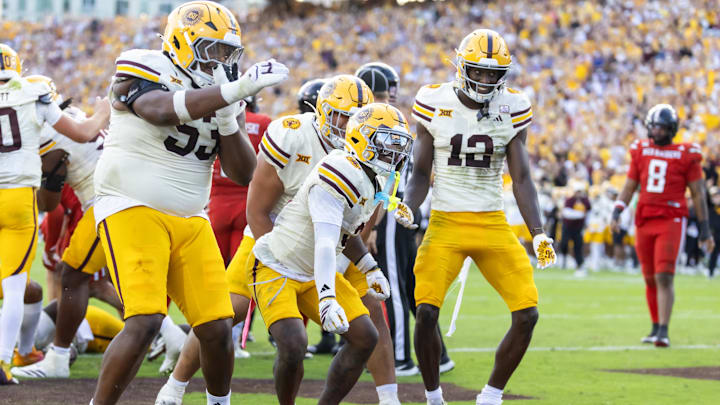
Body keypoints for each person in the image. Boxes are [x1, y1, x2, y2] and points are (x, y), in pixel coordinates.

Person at [155, 75, 401, 405]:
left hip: (329, 243)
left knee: (369, 313)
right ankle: (176, 384)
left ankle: (389, 398)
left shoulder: (371, 152)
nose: (346, 125)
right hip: (272, 240)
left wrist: (359, 263)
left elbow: (356, 223)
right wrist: (284, 266)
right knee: (223, 314)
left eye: (355, 116)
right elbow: (257, 210)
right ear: (324, 111)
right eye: (340, 115)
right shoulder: (294, 135)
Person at [89, 1, 289, 403]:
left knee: (217, 326)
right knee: (146, 319)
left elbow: (242, 172)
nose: (219, 61)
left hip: (191, 216)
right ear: (181, 42)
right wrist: (230, 92)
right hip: (131, 205)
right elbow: (158, 110)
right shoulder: (145, 64)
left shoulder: (220, 94)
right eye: (211, 49)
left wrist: (230, 117)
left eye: (225, 52)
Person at [394, 29, 556, 405]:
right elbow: (420, 173)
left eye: (493, 73)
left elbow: (523, 178)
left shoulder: (513, 106)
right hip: (446, 223)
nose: (486, 79)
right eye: (478, 71)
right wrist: (409, 204)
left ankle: (491, 395)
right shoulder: (433, 101)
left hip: (492, 223)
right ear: (461, 67)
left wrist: (540, 233)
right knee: (426, 312)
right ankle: (434, 397)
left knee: (527, 313)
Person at [250, 103, 413, 405]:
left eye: (398, 145)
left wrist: (369, 267)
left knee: (366, 337)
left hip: (314, 270)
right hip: (279, 264)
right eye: (386, 143)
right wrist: (327, 299)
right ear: (361, 140)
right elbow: (326, 242)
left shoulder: (370, 176)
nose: (394, 154)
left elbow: (345, 232)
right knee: (294, 344)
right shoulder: (338, 171)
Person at [0, 43, 110, 385]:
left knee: (52, 280)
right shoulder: (34, 96)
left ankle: (35, 351)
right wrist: (106, 109)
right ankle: (7, 360)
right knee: (18, 286)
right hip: (19, 198)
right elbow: (84, 132)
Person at [355, 61, 454, 376]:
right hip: (398, 212)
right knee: (411, 288)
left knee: (395, 288)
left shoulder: (383, 123)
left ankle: (399, 356)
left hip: (390, 213)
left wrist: (373, 224)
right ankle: (438, 354)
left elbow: (388, 182)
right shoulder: (395, 119)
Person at [612, 104, 714, 348]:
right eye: (654, 126)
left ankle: (664, 331)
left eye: (662, 127)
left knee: (664, 275)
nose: (657, 131)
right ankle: (655, 327)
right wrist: (618, 209)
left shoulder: (687, 154)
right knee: (649, 277)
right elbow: (630, 185)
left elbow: (698, 194)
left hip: (671, 219)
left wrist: (704, 229)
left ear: (672, 129)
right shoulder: (640, 150)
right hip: (644, 218)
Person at [560, 182, 591, 275]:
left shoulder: (585, 201)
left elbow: (589, 212)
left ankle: (580, 263)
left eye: (580, 191)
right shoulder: (570, 200)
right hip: (568, 227)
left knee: (578, 246)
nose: (578, 193)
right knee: (564, 244)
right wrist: (581, 215)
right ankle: (564, 259)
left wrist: (586, 222)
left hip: (578, 228)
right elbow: (567, 213)